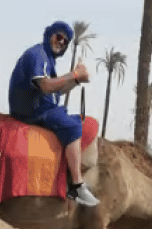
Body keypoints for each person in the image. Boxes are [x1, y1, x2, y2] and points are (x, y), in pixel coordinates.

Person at [8, 21, 98, 207]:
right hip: (33, 112)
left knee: (74, 120)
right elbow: (47, 86)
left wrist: (77, 80)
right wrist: (73, 74)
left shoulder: (48, 59)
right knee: (72, 126)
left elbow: (57, 90)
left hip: (43, 108)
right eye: (58, 37)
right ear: (49, 35)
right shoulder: (37, 55)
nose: (61, 42)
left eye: (65, 41)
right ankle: (77, 185)